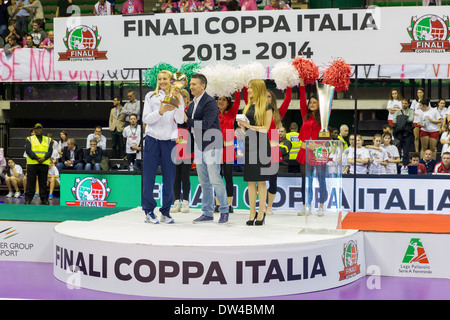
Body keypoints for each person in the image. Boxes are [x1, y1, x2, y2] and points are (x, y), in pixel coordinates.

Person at [185, 73, 230, 224]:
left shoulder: (210, 102)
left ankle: (224, 210)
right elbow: (186, 123)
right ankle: (207, 212)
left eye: (194, 84)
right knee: (204, 181)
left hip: (211, 143)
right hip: (198, 144)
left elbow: (206, 124)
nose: (191, 86)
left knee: (215, 179)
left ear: (202, 86)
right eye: (190, 84)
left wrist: (188, 120)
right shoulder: (192, 104)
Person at [142, 69, 185, 224]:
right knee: (148, 177)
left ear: (171, 80)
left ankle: (165, 212)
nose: (162, 82)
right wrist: (160, 111)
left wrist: (179, 101)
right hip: (152, 140)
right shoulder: (151, 96)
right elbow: (145, 118)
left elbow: (180, 120)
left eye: (165, 78)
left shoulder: (177, 96)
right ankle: (148, 211)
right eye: (159, 79)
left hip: (169, 141)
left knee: (170, 178)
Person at [237, 79, 273, 225]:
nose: (249, 90)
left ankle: (261, 212)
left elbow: (265, 128)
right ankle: (252, 212)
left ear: (258, 89)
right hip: (249, 144)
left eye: (251, 88)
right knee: (251, 181)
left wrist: (249, 126)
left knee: (261, 181)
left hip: (262, 145)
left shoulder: (267, 106)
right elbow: (245, 130)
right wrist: (243, 126)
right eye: (248, 88)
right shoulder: (247, 106)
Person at [295, 79, 325, 216]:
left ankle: (321, 206)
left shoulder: (324, 117)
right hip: (304, 152)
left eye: (315, 102)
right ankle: (306, 206)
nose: (311, 104)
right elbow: (302, 99)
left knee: (321, 179)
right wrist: (301, 84)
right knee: (306, 180)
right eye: (310, 102)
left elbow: (325, 137)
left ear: (320, 104)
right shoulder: (304, 115)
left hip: (318, 152)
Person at [264, 87, 292, 215]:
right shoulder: (256, 111)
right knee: (259, 178)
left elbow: (288, 99)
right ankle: (261, 205)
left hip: (274, 148)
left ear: (273, 99)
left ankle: (269, 206)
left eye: (269, 96)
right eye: (264, 95)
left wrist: (289, 85)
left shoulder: (278, 113)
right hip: (259, 146)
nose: (266, 98)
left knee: (272, 179)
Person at [215, 92, 241, 213]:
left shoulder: (231, 114)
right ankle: (217, 204)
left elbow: (238, 101)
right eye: (219, 99)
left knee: (228, 177)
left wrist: (236, 89)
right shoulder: (213, 114)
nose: (221, 101)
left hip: (228, 149)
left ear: (228, 103)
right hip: (215, 149)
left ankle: (229, 205)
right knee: (217, 177)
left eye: (224, 99)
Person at [171, 88, 192, 214]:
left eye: (184, 97)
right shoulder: (173, 110)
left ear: (187, 99)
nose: (182, 99)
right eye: (180, 97)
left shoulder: (190, 110)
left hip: (186, 144)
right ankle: (176, 202)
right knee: (175, 176)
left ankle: (185, 202)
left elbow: (188, 123)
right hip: (174, 144)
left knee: (185, 176)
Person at [25, 123, 52, 205]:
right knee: (30, 182)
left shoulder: (48, 139)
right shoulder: (29, 139)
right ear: (34, 130)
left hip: (44, 163)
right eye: (37, 128)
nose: (38, 130)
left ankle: (44, 199)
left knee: (43, 182)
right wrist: (37, 158)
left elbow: (50, 151)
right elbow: (28, 150)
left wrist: (44, 158)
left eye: (40, 128)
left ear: (42, 129)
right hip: (32, 163)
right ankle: (28, 199)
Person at [393, 98, 414, 166]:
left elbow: (411, 119)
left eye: (405, 103)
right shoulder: (397, 112)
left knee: (406, 151)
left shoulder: (411, 111)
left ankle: (405, 166)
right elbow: (394, 121)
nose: (404, 105)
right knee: (397, 151)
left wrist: (401, 120)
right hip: (399, 133)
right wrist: (405, 119)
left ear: (408, 104)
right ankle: (396, 166)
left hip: (407, 133)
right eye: (402, 103)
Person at [410, 87, 427, 153]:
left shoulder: (426, 101)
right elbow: (411, 111)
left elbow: (429, 110)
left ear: (423, 93)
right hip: (416, 121)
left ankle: (423, 151)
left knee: (423, 138)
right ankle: (417, 152)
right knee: (416, 137)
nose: (419, 94)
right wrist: (415, 113)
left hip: (423, 121)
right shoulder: (414, 101)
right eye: (418, 92)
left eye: (421, 92)